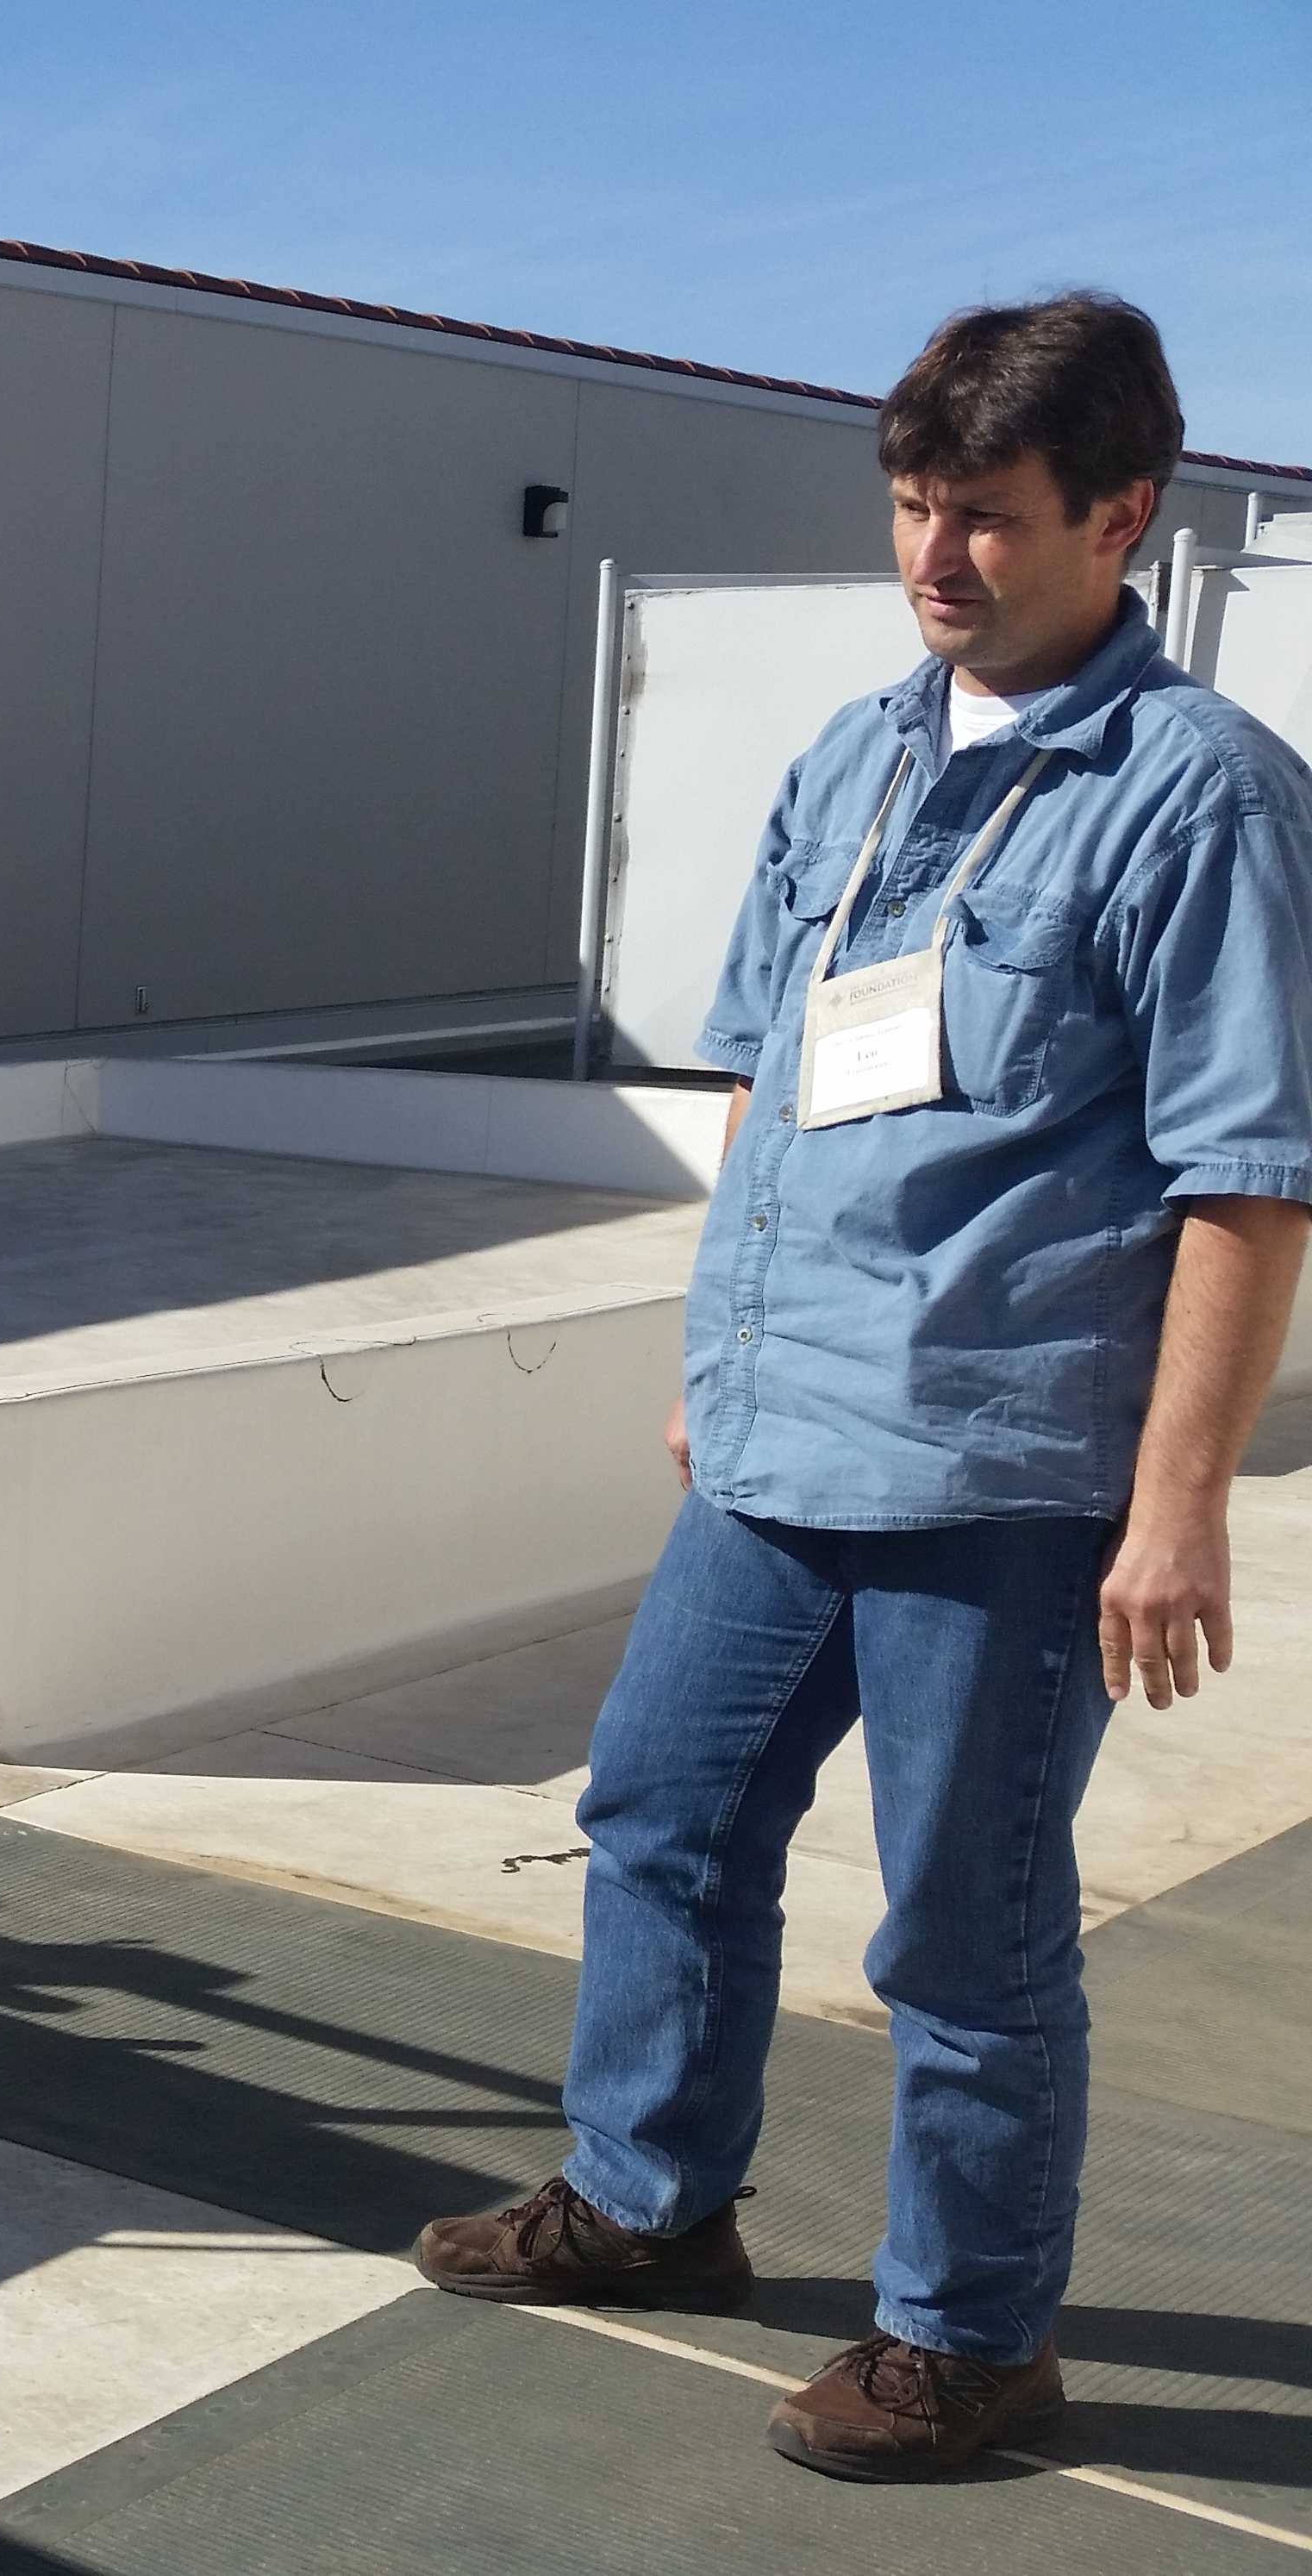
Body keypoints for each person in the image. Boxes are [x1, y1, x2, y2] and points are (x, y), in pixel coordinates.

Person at [407, 294, 1312, 2480]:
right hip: (780, 1431)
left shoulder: (1203, 803)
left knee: (965, 1930)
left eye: (987, 518)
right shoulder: (854, 754)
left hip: (1002, 1475)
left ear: (1122, 516)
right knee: (663, 1818)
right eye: (910, 507)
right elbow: (774, 1081)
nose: (935, 558)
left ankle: (971, 2343)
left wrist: (1172, 1505)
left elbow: (1250, 1185)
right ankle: (647, 2204)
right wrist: (715, 1347)